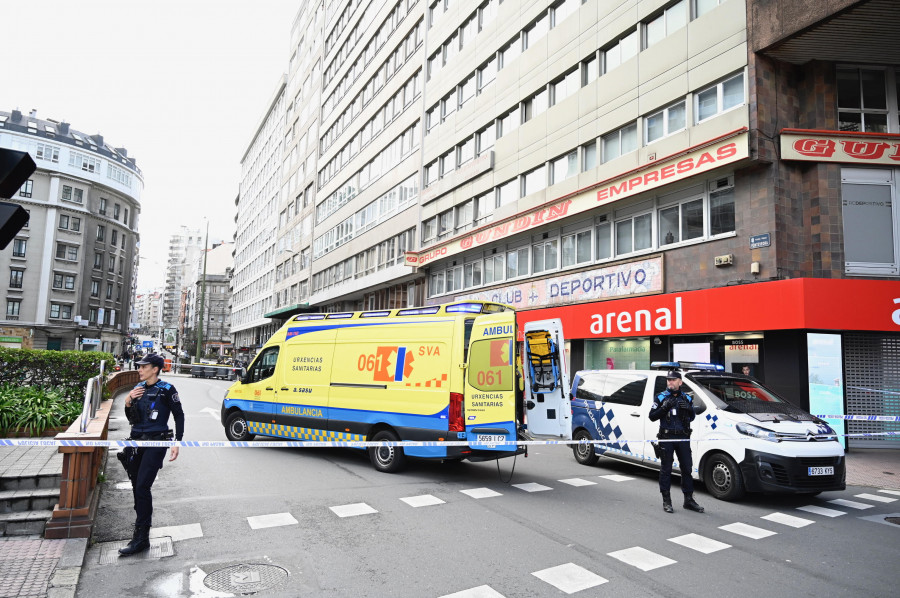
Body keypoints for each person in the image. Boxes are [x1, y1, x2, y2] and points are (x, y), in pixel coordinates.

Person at [119, 354, 185, 556]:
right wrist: (129, 402)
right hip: (136, 441)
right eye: (139, 367)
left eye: (143, 367)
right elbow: (132, 418)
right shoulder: (137, 390)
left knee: (142, 486)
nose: (139, 370)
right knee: (136, 487)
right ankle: (141, 535)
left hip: (157, 442)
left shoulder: (167, 390)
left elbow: (179, 415)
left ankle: (140, 538)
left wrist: (177, 441)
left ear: (155, 369)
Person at [649, 370, 704, 514]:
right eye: (668, 380)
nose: (670, 382)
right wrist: (664, 408)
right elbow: (652, 417)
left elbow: (691, 418)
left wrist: (690, 410)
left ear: (680, 382)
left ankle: (689, 500)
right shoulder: (661, 397)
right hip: (667, 438)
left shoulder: (687, 398)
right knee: (666, 469)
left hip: (683, 437)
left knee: (687, 468)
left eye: (673, 380)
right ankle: (666, 501)